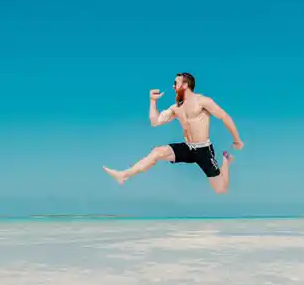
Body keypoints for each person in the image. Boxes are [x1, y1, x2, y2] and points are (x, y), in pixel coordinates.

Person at [103, 72, 244, 194]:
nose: (173, 86)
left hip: (203, 150)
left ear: (185, 85)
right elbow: (155, 122)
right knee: (157, 152)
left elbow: (224, 117)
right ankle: (124, 175)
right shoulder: (176, 108)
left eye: (175, 83)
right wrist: (152, 101)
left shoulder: (202, 101)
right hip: (188, 147)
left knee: (220, 190)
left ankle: (226, 161)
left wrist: (237, 140)